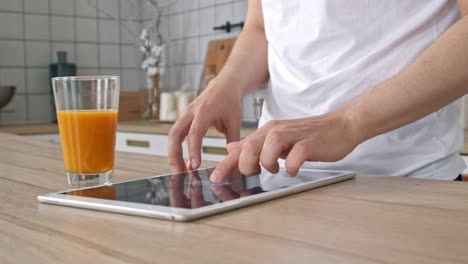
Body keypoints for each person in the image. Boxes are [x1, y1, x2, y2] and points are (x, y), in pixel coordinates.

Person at [168, 0, 468, 182]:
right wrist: (226, 83)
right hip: (274, 178)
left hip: (405, 178)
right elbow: (261, 26)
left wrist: (348, 123)